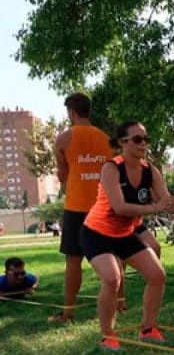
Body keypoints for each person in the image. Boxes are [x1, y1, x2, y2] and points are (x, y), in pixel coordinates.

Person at [80, 120, 174, 351]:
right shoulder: (111, 169)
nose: (143, 143)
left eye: (146, 139)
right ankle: (108, 336)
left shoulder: (151, 171)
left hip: (124, 234)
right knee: (112, 279)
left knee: (157, 275)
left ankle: (148, 329)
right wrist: (156, 207)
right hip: (96, 234)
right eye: (137, 139)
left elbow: (166, 205)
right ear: (122, 143)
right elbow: (119, 207)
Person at [50, 92, 114, 323]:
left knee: (73, 260)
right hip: (104, 205)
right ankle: (120, 302)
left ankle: (68, 311)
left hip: (76, 206)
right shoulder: (106, 139)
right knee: (111, 255)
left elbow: (63, 173)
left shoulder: (63, 139)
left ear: (71, 112)